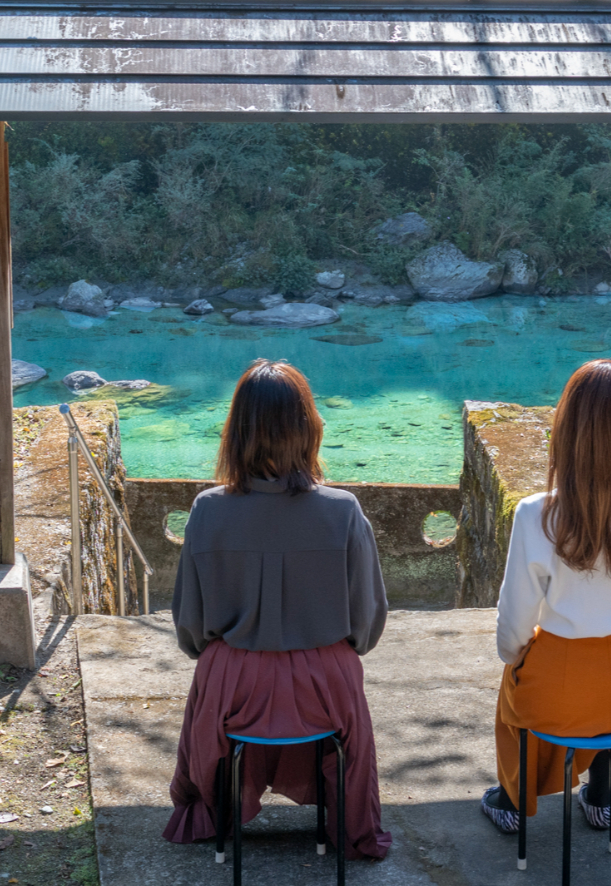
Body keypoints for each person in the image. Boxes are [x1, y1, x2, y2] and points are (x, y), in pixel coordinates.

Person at [163, 359, 392, 860]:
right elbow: (367, 625)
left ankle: (219, 809)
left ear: (234, 431)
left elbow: (190, 628)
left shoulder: (207, 510)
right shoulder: (342, 510)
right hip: (324, 679)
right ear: (309, 428)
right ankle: (343, 821)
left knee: (210, 682)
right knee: (343, 700)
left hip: (233, 679)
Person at [481, 360, 611, 833]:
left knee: (519, 687)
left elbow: (514, 624)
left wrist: (517, 658)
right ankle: (601, 796)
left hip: (562, 689)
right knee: (606, 691)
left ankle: (512, 803)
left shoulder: (539, 513)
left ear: (567, 429)